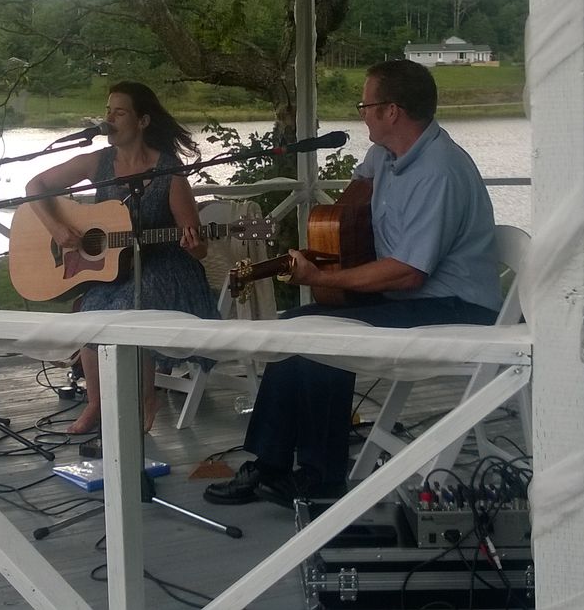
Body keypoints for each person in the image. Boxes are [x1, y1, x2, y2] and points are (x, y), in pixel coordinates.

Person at [203, 58, 502, 506]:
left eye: (365, 106)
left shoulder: (439, 171)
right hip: (412, 298)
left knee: (326, 336)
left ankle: (322, 479)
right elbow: (358, 193)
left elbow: (408, 272)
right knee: (296, 324)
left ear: (391, 111)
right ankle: (270, 466)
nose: (361, 114)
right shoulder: (386, 155)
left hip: (456, 308)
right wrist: (336, 229)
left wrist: (324, 275)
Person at [24, 81, 218, 434]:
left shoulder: (169, 172)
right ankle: (96, 402)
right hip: (117, 266)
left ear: (142, 121)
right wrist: (56, 228)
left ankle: (145, 399)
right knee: (90, 312)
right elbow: (35, 185)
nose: (109, 119)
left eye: (119, 112)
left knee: (128, 309)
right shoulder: (98, 162)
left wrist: (194, 244)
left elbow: (198, 245)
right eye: (108, 111)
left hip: (166, 266)